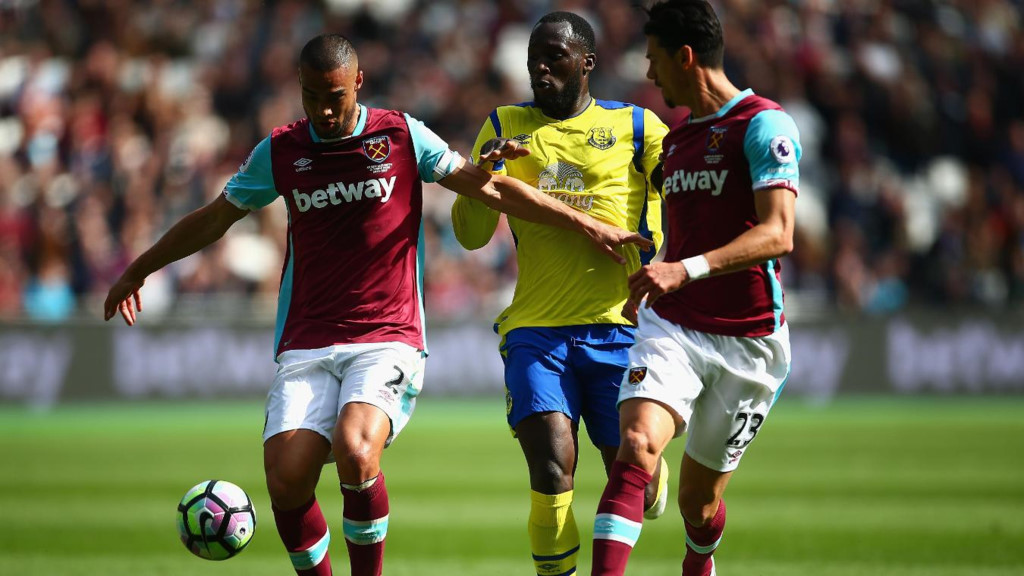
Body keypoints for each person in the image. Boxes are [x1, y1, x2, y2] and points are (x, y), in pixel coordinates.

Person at [103, 34, 652, 576]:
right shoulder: (281, 150)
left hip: (387, 335)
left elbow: (491, 189)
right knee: (285, 480)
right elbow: (215, 217)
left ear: (358, 83)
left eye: (335, 97)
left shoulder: (402, 134)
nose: (323, 110)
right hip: (307, 339)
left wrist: (586, 223)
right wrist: (139, 268)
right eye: (312, 96)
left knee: (356, 449)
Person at [450, 12, 669, 576]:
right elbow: (470, 236)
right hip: (536, 329)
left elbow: (685, 199)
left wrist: (669, 268)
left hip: (620, 327)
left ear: (587, 62)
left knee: (636, 481)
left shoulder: (637, 126)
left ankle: (653, 469)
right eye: (533, 61)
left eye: (554, 58)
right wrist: (480, 178)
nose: (540, 69)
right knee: (551, 466)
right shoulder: (504, 124)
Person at [589, 1, 801, 575]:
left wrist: (684, 269)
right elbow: (683, 240)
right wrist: (654, 273)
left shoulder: (763, 124)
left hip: (749, 343)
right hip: (675, 326)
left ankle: (701, 558)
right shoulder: (678, 140)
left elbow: (778, 234)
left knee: (697, 505)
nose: (649, 74)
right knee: (636, 446)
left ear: (685, 57)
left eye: (654, 60)